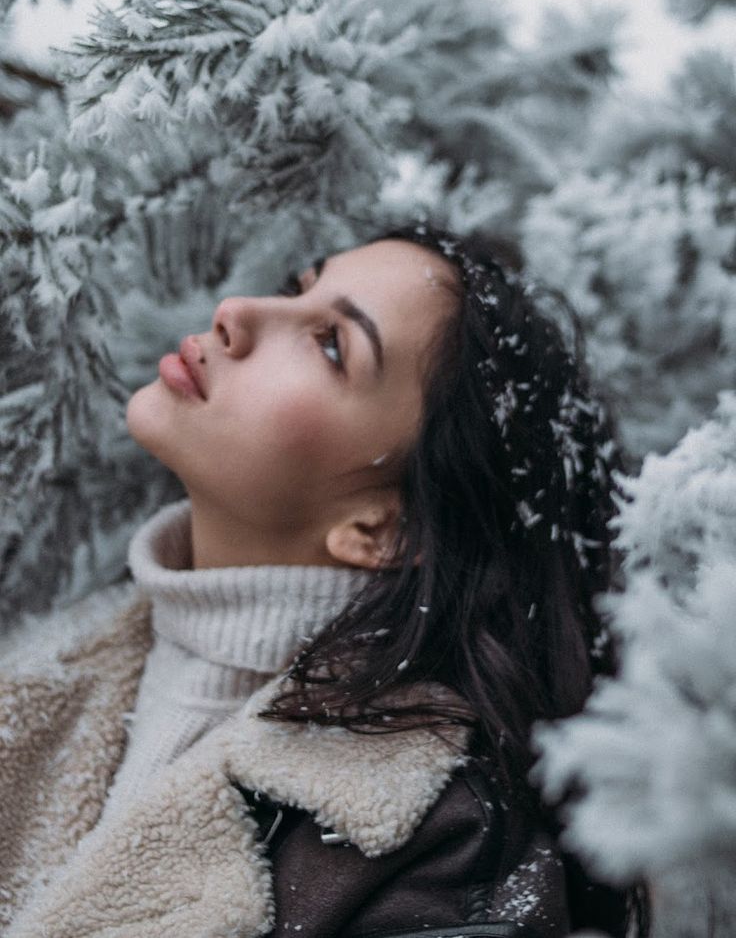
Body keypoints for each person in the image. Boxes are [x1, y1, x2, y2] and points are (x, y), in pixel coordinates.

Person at [0, 224, 647, 938]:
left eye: (331, 342)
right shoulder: (48, 657)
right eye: (296, 289)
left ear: (384, 530)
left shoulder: (437, 853)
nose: (237, 311)